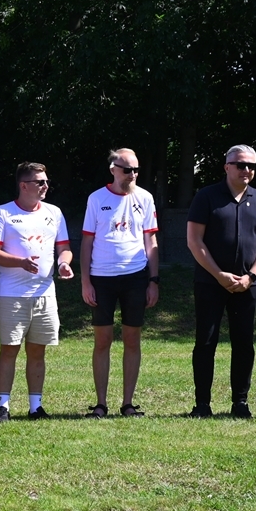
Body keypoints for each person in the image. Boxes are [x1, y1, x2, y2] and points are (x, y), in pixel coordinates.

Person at [186, 145, 256, 418]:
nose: (246, 170)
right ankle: (202, 405)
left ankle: (240, 403)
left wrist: (251, 276)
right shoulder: (206, 196)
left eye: (251, 166)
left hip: (247, 285)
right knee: (206, 343)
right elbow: (194, 240)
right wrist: (218, 274)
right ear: (227, 167)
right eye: (240, 165)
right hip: (210, 282)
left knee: (244, 344)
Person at [0, 163, 72, 420]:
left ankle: (36, 407)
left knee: (37, 351)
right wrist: (20, 262)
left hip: (45, 294)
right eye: (40, 182)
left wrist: (63, 263)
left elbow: (64, 248)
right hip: (12, 295)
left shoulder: (54, 212)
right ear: (24, 186)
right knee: (9, 349)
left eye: (46, 181)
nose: (45, 186)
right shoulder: (3, 213)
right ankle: (3, 406)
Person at [80, 148, 159, 417]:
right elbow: (87, 241)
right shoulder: (96, 198)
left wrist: (153, 280)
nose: (132, 174)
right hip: (101, 278)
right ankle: (100, 404)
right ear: (113, 170)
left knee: (132, 340)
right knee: (102, 341)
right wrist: (86, 282)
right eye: (127, 170)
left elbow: (151, 241)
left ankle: (128, 404)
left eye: (136, 170)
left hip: (135, 277)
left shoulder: (145, 198)